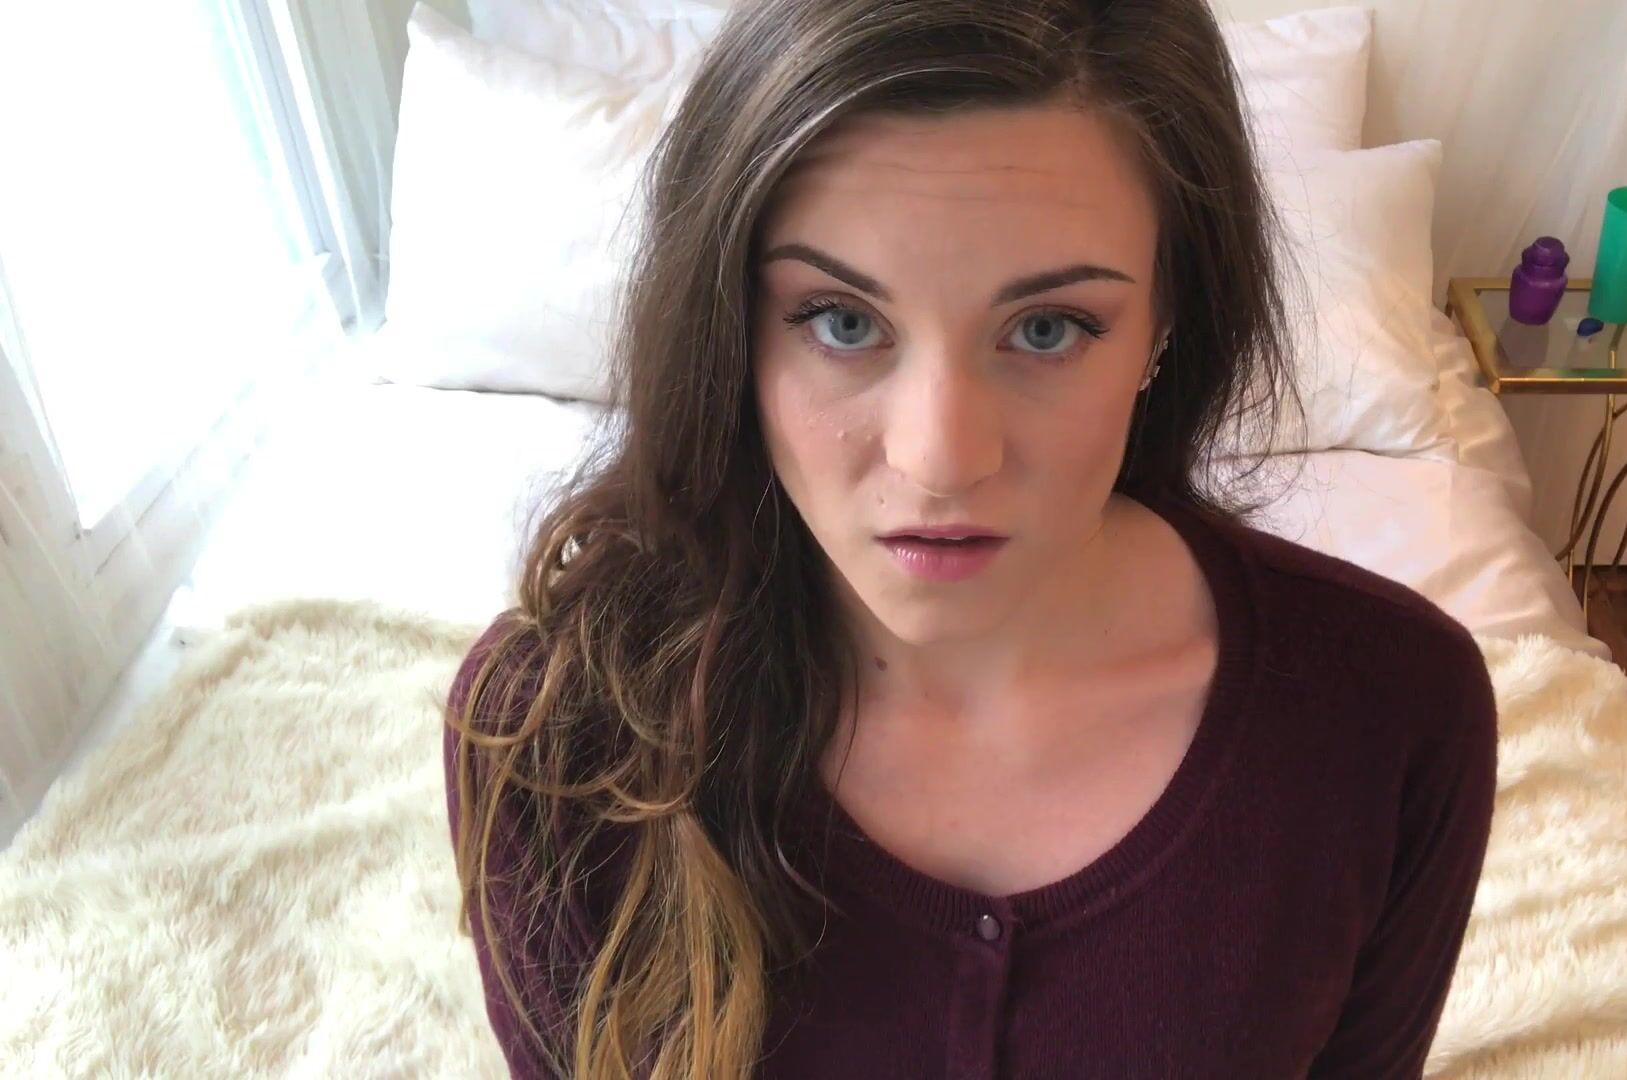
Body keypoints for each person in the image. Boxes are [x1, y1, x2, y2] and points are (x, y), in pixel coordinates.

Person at [443, 0, 1498, 1076]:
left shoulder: (1394, 715)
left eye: (1047, 329)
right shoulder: (553, 734)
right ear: (731, 330)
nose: (941, 460)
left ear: (1164, 326)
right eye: (842, 321)